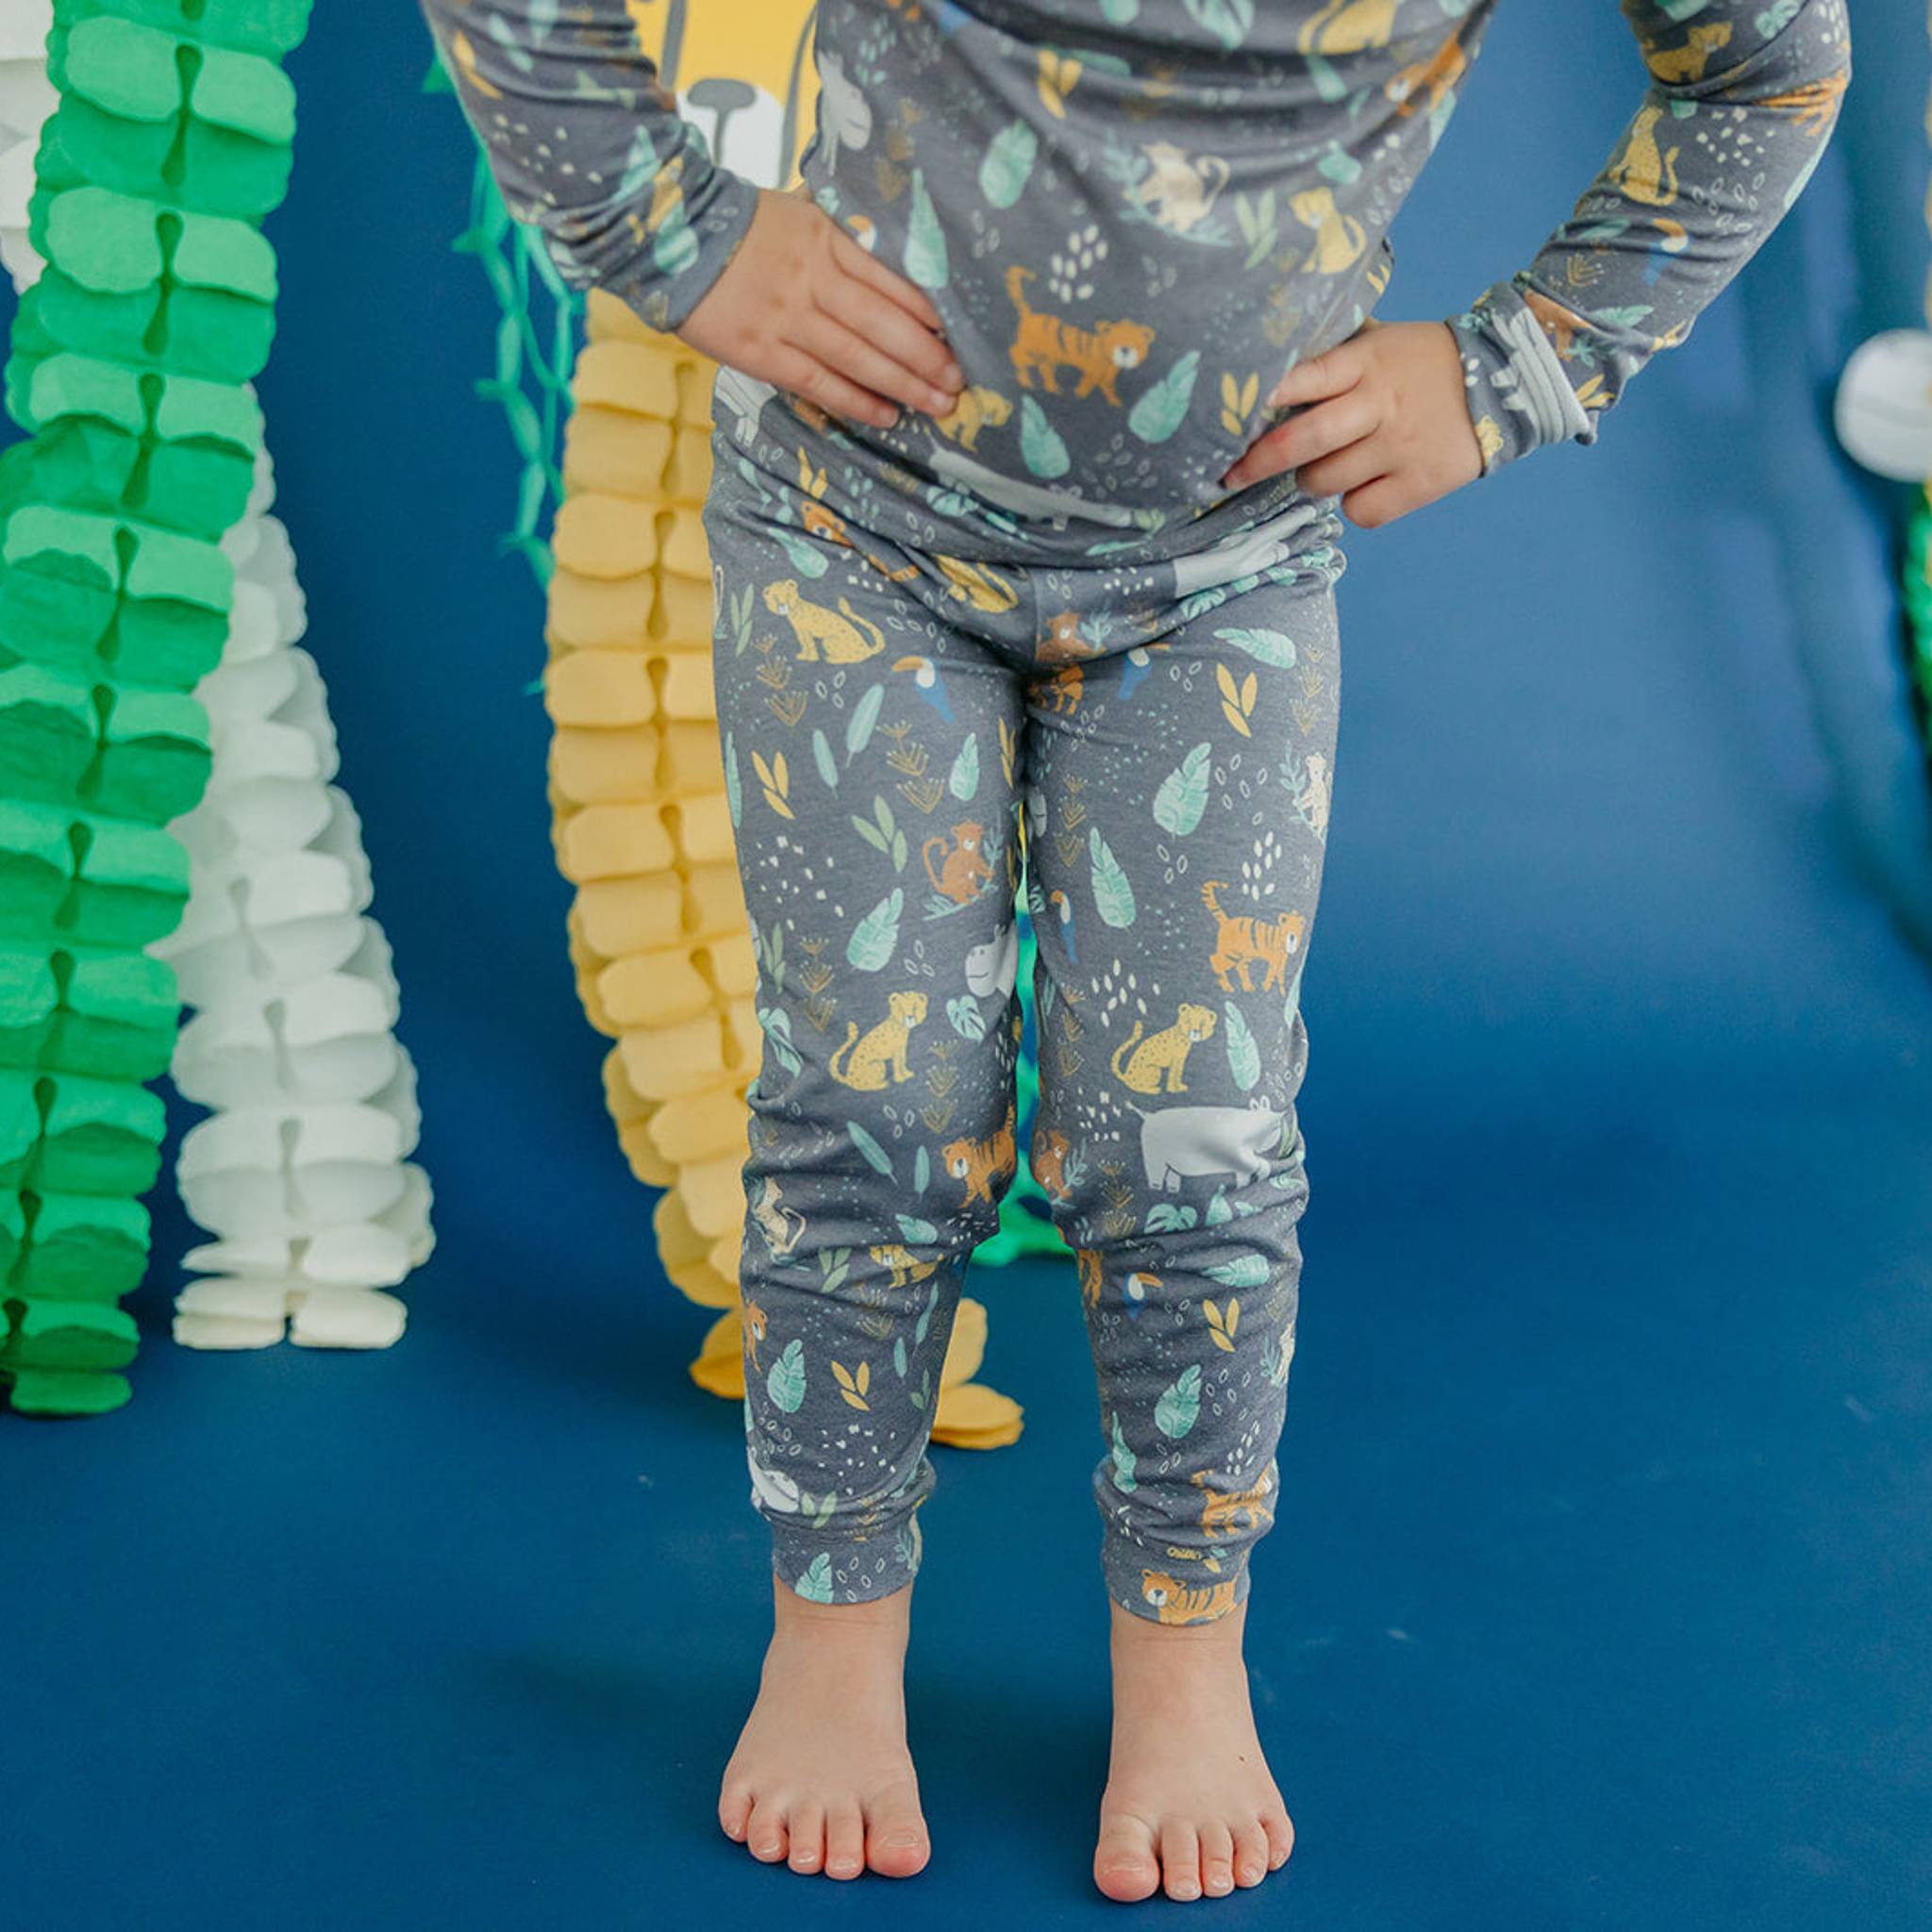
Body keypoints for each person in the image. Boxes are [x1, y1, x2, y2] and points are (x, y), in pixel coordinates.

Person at [421, 0, 1851, 1903]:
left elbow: (1768, 61)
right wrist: (660, 223)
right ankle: (831, 1629)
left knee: (1190, 1142)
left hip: (1221, 563)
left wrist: (1521, 359)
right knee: (873, 1109)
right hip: (853, 515)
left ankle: (1186, 1649)